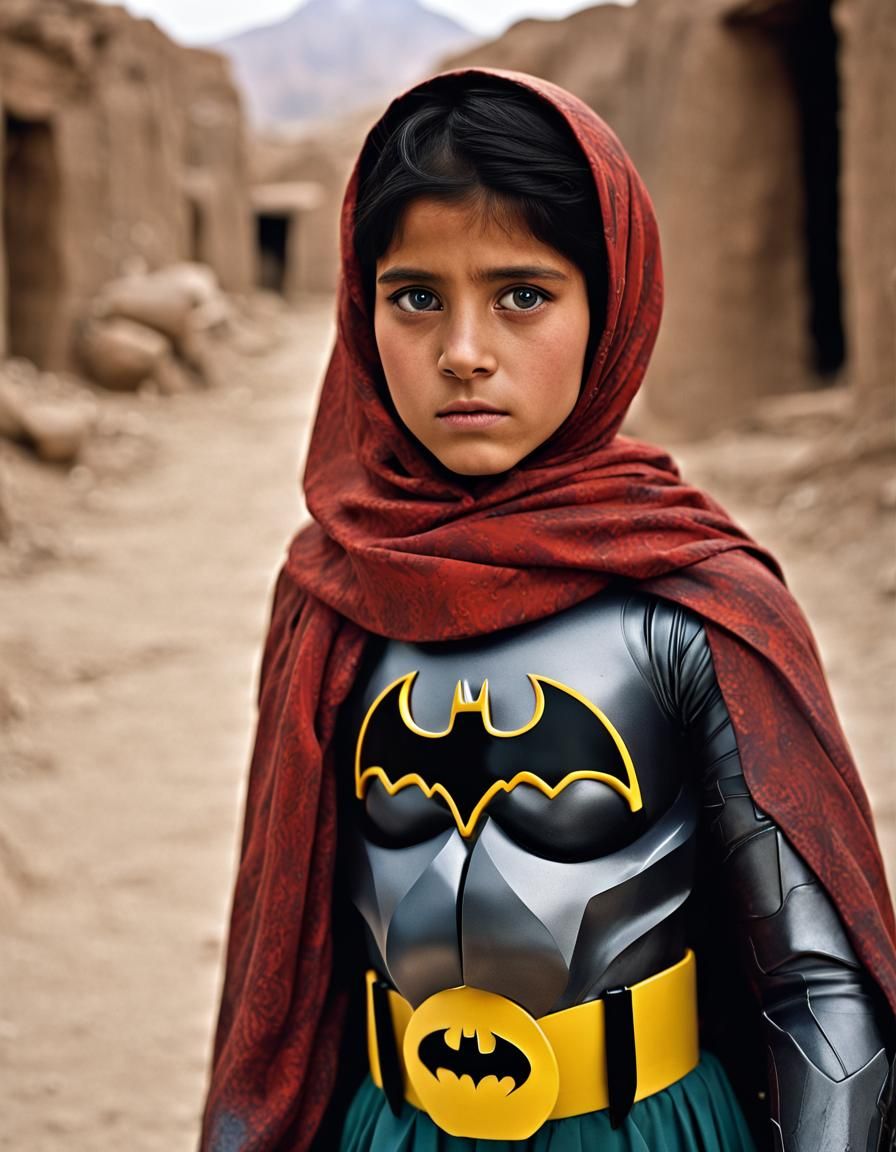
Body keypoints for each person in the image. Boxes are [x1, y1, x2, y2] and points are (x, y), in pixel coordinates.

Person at [199, 68, 896, 1152]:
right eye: (414, 296)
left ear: (608, 304)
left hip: (640, 1129)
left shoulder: (688, 600)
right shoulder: (337, 591)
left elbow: (817, 987)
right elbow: (280, 970)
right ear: (360, 308)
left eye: (521, 294)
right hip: (391, 1127)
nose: (462, 351)